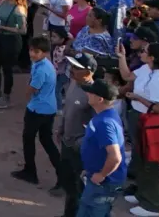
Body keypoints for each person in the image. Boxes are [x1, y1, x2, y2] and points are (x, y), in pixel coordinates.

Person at [116, 41, 159, 216]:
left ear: (152, 57)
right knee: (139, 159)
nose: (141, 52)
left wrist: (137, 97)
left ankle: (151, 204)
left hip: (150, 122)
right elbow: (127, 76)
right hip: (138, 118)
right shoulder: (145, 69)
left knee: (149, 163)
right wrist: (121, 57)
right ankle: (141, 193)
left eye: (145, 51)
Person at [13, 35, 63, 188]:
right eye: (31, 50)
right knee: (46, 140)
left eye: (37, 51)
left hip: (38, 109)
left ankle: (30, 171)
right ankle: (62, 175)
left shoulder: (41, 69)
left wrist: (26, 96)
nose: (32, 54)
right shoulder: (43, 64)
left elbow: (32, 89)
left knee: (29, 138)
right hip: (47, 108)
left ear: (45, 52)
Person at [57, 52, 100, 217]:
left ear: (88, 72)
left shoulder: (94, 95)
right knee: (68, 184)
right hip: (66, 143)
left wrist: (81, 143)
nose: (72, 69)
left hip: (80, 149)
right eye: (72, 66)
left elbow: (97, 126)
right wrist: (61, 128)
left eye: (76, 67)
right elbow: (67, 108)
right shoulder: (73, 83)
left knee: (79, 188)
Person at [77, 79, 129, 217]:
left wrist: (101, 175)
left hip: (104, 184)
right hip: (102, 180)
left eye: (91, 92)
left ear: (99, 99)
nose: (87, 94)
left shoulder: (105, 123)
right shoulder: (107, 115)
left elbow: (115, 157)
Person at [0, 0, 28, 109]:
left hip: (11, 41)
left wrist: (2, 27)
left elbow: (23, 30)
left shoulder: (19, 9)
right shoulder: (3, 3)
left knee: (7, 69)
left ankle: (6, 96)